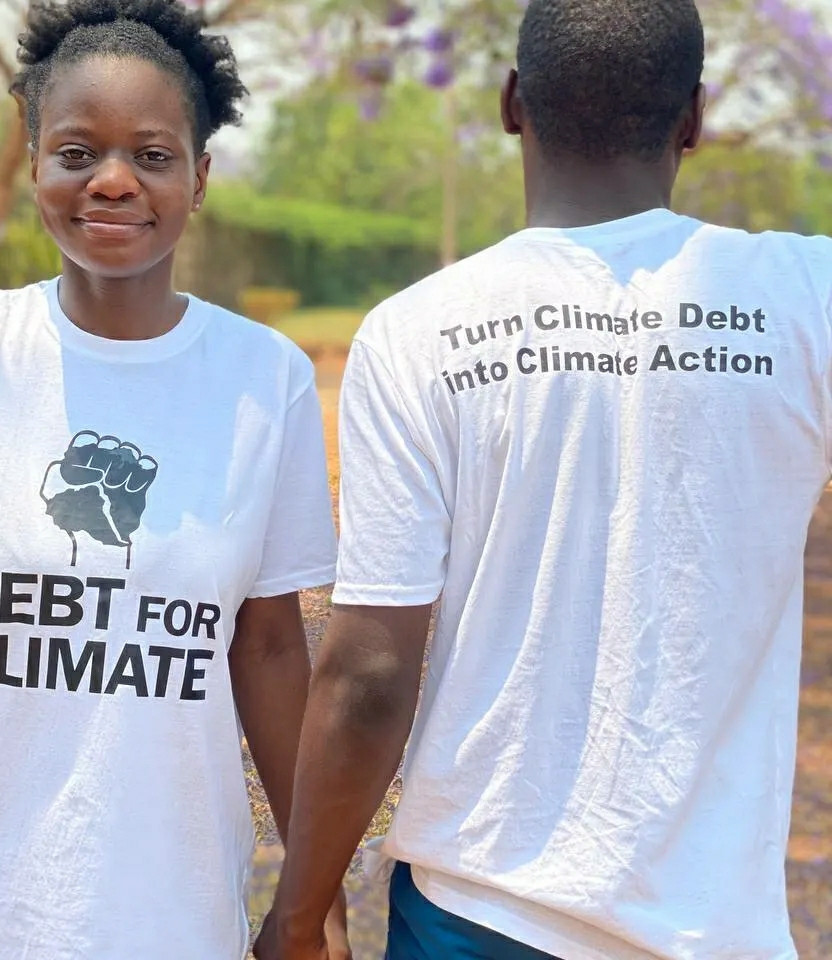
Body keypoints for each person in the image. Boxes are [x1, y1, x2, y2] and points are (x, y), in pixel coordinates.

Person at [255, 0, 832, 958]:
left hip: (474, 918)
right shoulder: (804, 300)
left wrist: (298, 915)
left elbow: (368, 670)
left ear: (512, 102)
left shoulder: (417, 331)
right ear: (694, 118)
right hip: (713, 929)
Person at [0, 1, 347, 958]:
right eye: (79, 151)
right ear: (37, 159)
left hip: (165, 913)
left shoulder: (266, 381)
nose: (115, 181)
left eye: (155, 155)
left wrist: (315, 896)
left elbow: (267, 649)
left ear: (201, 177)